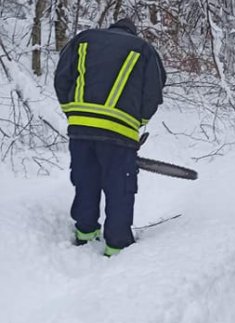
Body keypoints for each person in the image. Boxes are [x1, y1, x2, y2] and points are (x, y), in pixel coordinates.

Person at [54, 18, 166, 256]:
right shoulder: (144, 49)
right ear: (132, 32)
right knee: (119, 187)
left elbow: (61, 78)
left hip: (80, 127)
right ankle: (117, 245)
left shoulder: (83, 39)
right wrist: (139, 121)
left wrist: (71, 111)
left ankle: (85, 233)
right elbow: (153, 92)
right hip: (120, 131)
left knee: (85, 180)